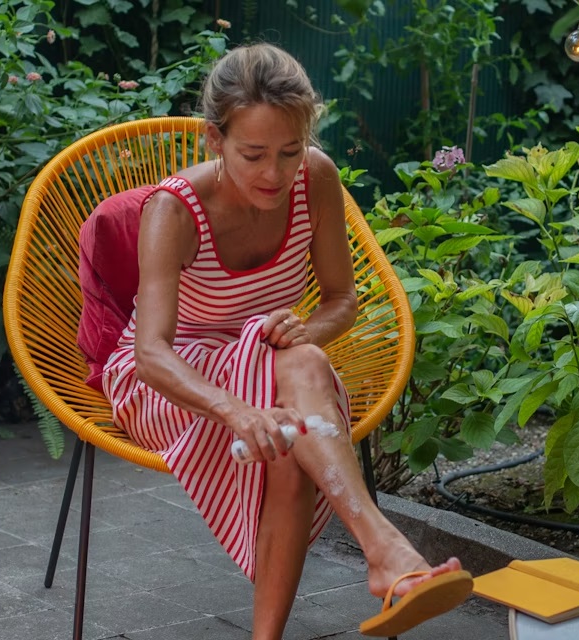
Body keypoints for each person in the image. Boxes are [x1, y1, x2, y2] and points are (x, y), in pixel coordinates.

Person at [94, 43, 472, 638]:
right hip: (172, 386)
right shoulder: (174, 210)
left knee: (293, 418)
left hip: (269, 367)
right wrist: (236, 410)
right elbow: (151, 356)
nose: (274, 174)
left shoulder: (316, 179)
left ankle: (301, 614)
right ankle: (385, 551)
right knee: (296, 387)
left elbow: (341, 300)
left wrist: (305, 329)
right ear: (215, 140)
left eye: (290, 152)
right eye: (253, 155)